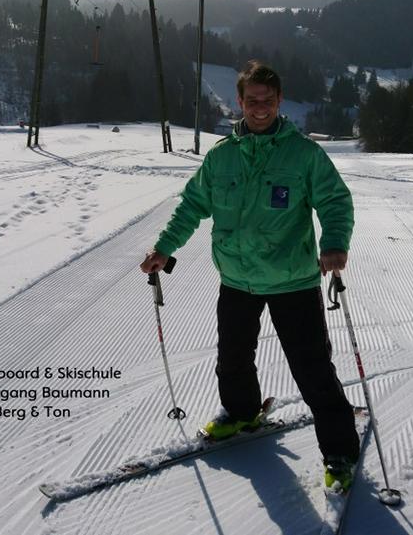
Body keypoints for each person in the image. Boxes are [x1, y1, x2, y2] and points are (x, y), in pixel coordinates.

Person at [140, 60, 360, 490]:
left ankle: (340, 451)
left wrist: (334, 241)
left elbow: (335, 201)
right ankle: (241, 413)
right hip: (237, 279)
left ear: (279, 102)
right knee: (233, 357)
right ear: (239, 102)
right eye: (252, 100)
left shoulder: (304, 154)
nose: (260, 108)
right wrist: (164, 249)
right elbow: (191, 207)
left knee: (312, 368)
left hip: (292, 280)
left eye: (268, 100)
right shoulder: (221, 157)